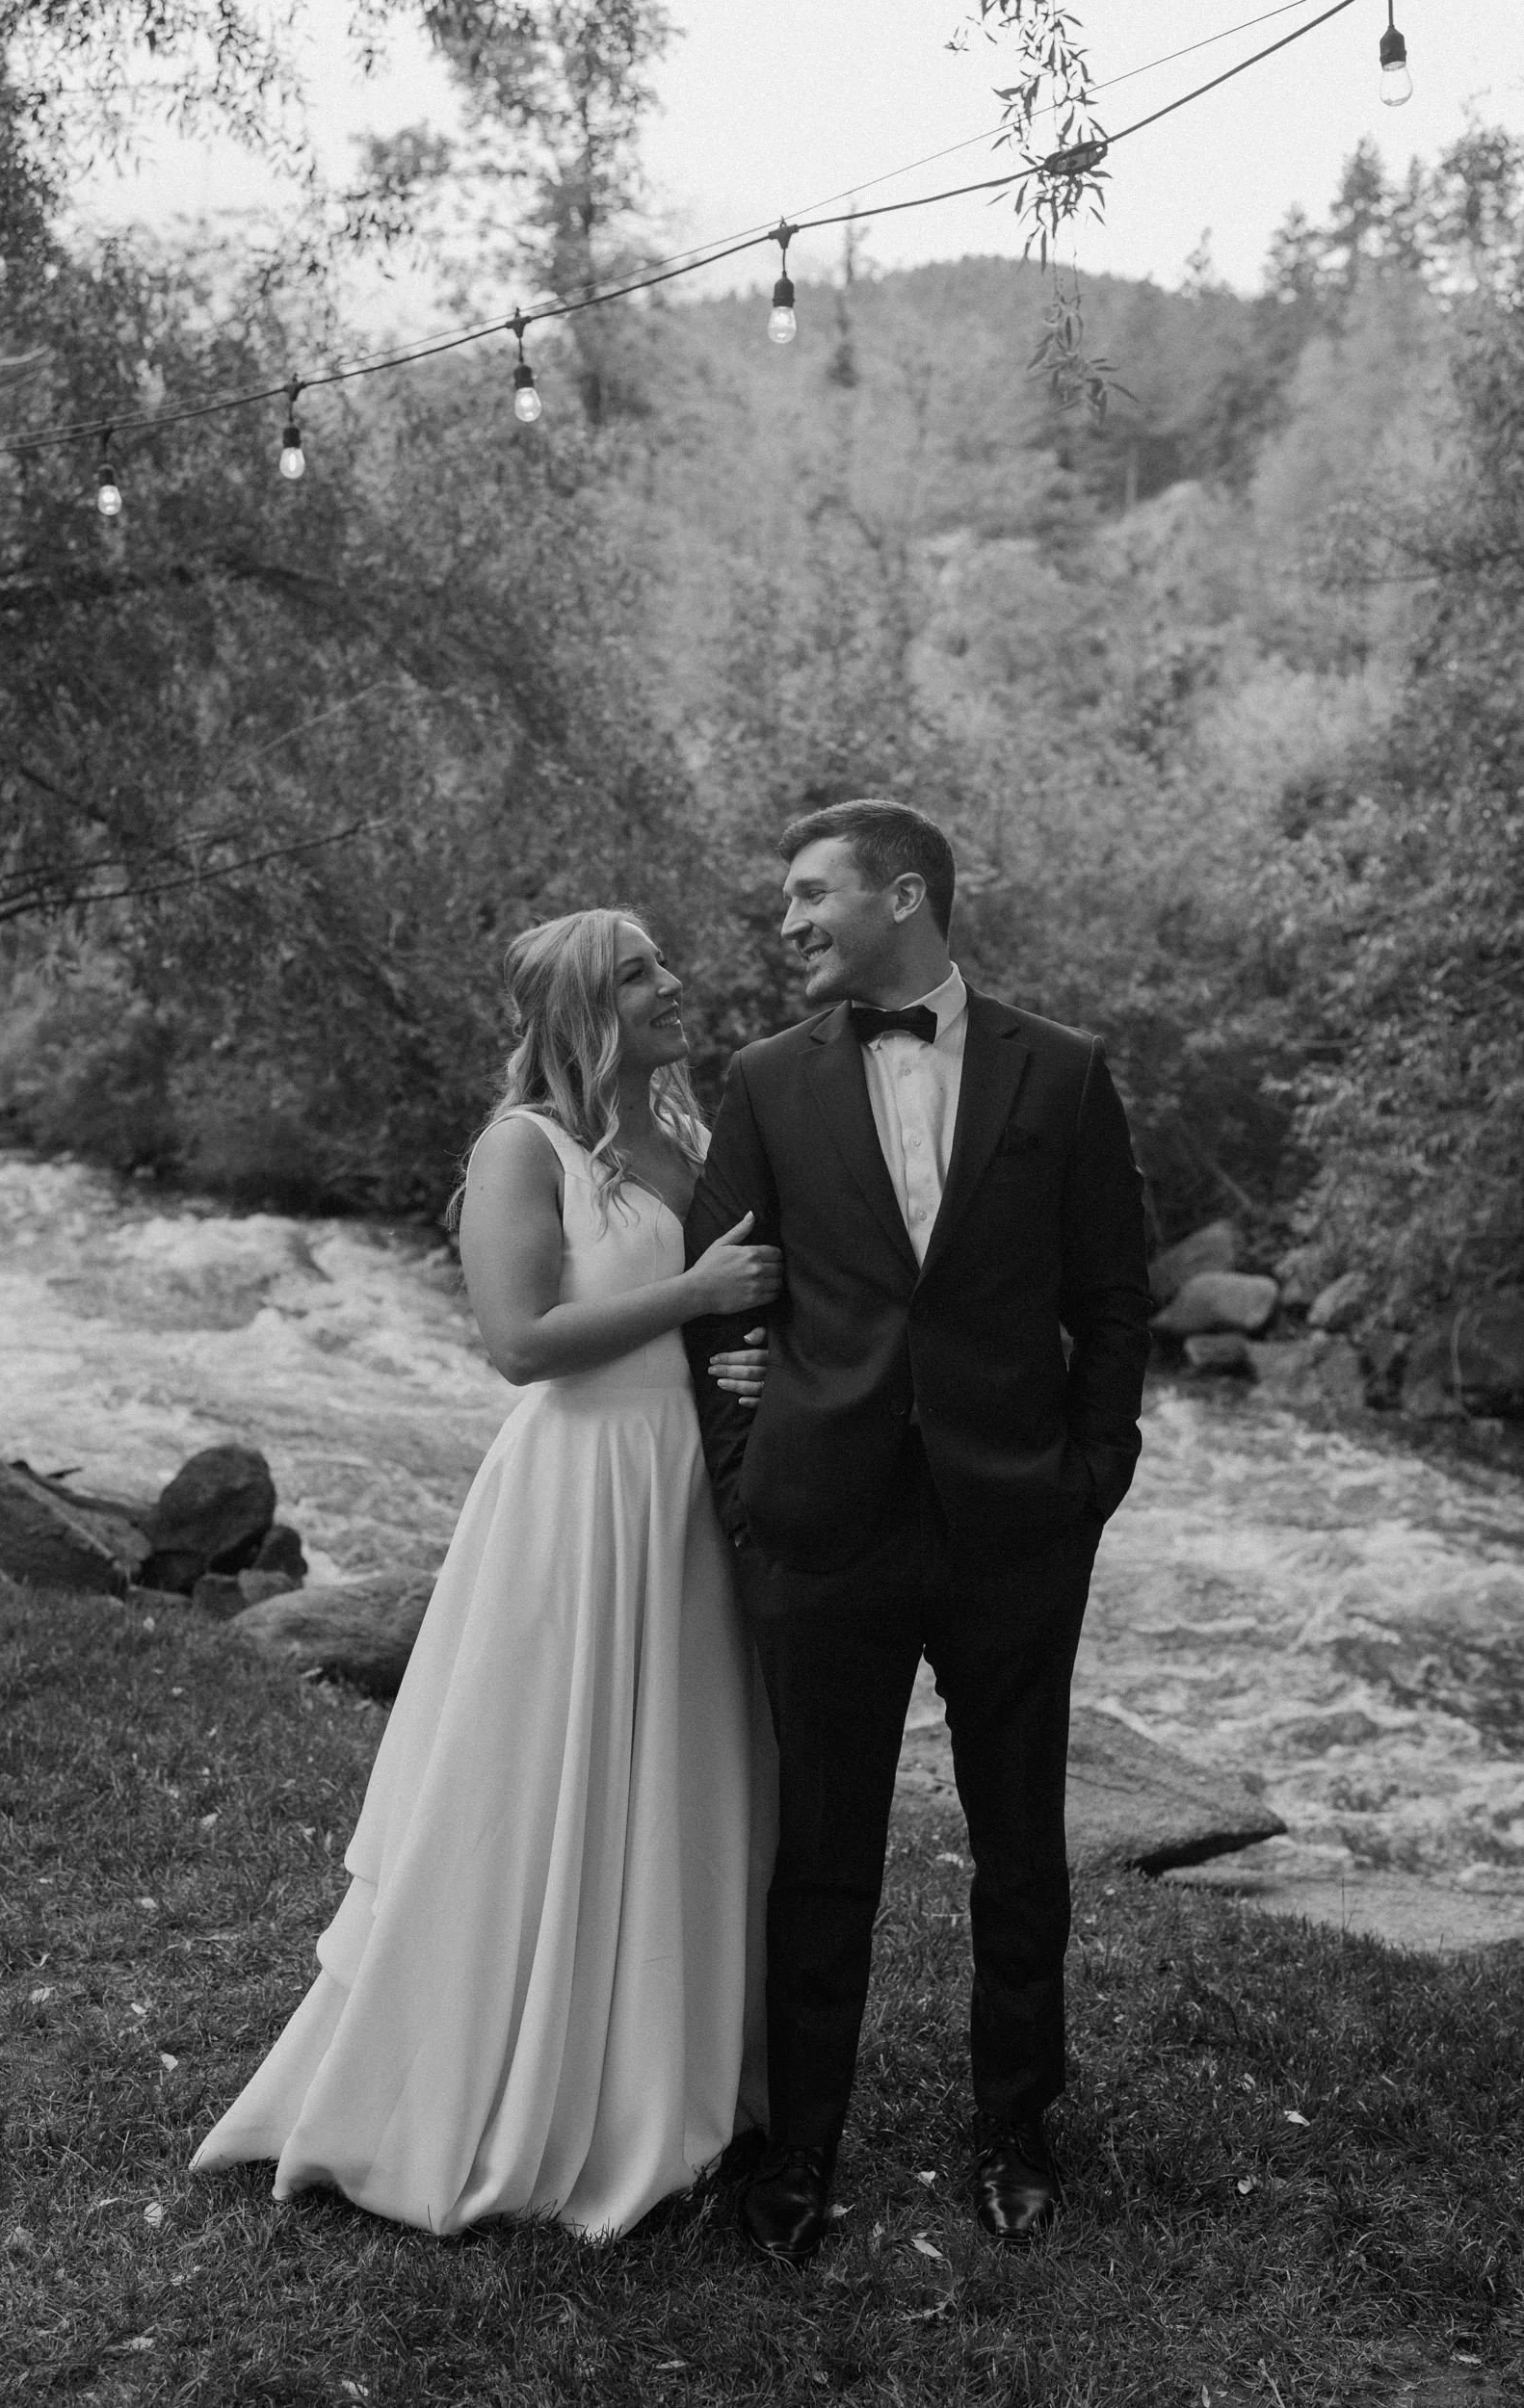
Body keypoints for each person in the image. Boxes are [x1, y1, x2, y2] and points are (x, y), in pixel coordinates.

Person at [192, 908, 781, 2238]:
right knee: (541, 1772)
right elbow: (519, 1343)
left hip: (688, 1486)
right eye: (639, 973)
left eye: (660, 963)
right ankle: (483, 2079)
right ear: (584, 1008)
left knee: (674, 1767)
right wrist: (698, 1297)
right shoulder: (525, 1146)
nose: (673, 983)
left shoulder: (684, 1136)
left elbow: (725, 1312)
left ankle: (656, 2071)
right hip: (580, 1490)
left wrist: (747, 1351)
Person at [682, 798, 1151, 2261]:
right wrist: (749, 1473)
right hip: (822, 1521)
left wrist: (1090, 1477)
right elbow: (718, 1296)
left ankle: (1016, 2131)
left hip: (1016, 1520)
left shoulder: (1064, 1070)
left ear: (902, 896)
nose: (788, 925)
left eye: (810, 895)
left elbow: (1114, 1298)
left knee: (1021, 1848)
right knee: (821, 1853)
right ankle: (797, 2148)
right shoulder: (765, 1080)